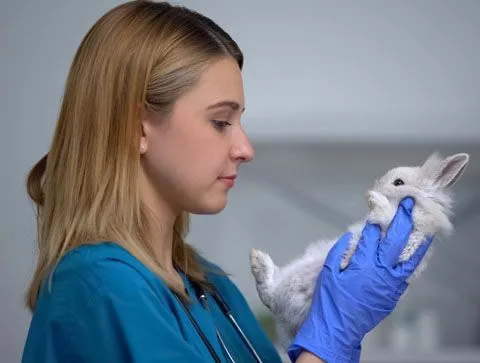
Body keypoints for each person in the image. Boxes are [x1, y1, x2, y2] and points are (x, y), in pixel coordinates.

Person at [21, 1, 434, 362]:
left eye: (239, 121)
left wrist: (330, 326)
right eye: (220, 121)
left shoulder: (208, 284)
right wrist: (330, 338)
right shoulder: (99, 289)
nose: (245, 148)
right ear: (136, 128)